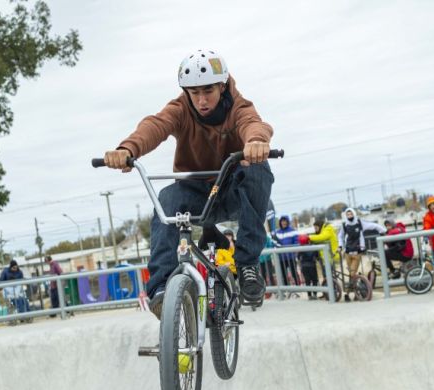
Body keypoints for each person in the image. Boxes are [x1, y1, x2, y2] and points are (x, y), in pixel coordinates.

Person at [102, 50, 274, 318]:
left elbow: (253, 124)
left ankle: (248, 263)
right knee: (167, 198)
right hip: (196, 193)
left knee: (258, 170)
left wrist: (255, 142)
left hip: (232, 191)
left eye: (208, 91)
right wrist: (128, 148)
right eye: (194, 93)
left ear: (222, 86)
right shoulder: (181, 108)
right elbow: (156, 125)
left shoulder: (238, 106)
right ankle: (161, 289)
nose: (202, 100)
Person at [337, 208, 386, 282]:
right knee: (351, 272)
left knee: (352, 272)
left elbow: (373, 226)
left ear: (354, 214)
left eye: (351, 214)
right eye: (348, 214)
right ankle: (354, 287)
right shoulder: (344, 225)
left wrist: (383, 231)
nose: (349, 216)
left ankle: (356, 285)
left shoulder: (360, 223)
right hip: (347, 252)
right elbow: (340, 236)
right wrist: (340, 246)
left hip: (357, 251)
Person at [273, 215, 300, 286]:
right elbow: (275, 243)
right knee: (283, 274)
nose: (283, 223)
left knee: (294, 272)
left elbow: (296, 242)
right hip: (281, 257)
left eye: (285, 221)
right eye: (282, 221)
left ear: (287, 222)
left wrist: (293, 251)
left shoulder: (293, 231)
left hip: (291, 256)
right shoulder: (277, 232)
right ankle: (286, 288)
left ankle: (298, 287)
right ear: (280, 222)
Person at [297, 235, 319, 299]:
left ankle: (309, 295)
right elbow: (317, 256)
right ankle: (315, 294)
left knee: (307, 281)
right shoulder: (313, 247)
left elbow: (298, 257)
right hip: (312, 265)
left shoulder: (301, 249)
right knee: (314, 280)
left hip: (304, 266)